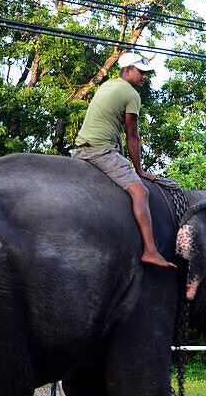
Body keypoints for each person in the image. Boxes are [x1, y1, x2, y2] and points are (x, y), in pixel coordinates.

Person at [71, 52, 176, 269]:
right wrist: (139, 171)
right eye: (141, 72)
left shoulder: (108, 86)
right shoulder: (131, 94)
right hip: (100, 151)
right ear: (127, 70)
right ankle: (150, 251)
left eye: (146, 73)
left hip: (80, 149)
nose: (144, 77)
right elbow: (132, 136)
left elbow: (116, 133)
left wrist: (123, 161)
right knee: (141, 192)